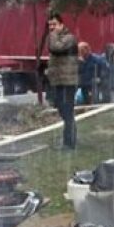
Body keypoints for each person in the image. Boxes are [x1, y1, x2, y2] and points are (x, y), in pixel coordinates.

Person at [45, 13, 79, 149]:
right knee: (63, 110)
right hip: (58, 82)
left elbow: (55, 48)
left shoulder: (69, 38)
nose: (52, 28)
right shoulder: (56, 39)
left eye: (54, 24)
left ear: (61, 24)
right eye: (50, 25)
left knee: (67, 111)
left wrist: (52, 35)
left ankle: (69, 143)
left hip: (68, 82)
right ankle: (69, 140)